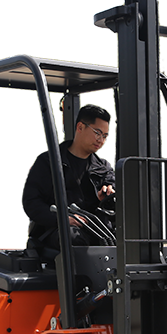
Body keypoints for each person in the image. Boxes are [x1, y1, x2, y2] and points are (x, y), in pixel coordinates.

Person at [22, 104, 115, 249]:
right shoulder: (49, 162)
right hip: (57, 230)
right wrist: (63, 219)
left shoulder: (103, 167)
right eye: (97, 133)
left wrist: (108, 195)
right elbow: (32, 203)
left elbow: (112, 189)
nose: (101, 140)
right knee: (73, 237)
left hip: (94, 229)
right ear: (80, 127)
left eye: (104, 136)